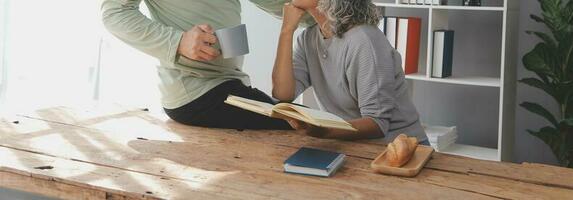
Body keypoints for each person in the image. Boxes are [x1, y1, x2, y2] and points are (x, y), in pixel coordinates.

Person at [101, 0, 312, 130]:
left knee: (309, 122)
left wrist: (332, 16)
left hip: (230, 84)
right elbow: (114, 13)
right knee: (306, 124)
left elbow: (280, 2)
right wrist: (177, 42)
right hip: (197, 91)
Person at [272, 0, 428, 142]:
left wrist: (322, 130)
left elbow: (377, 124)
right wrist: (286, 31)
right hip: (353, 148)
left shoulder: (364, 40)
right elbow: (283, 94)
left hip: (400, 150)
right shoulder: (308, 38)